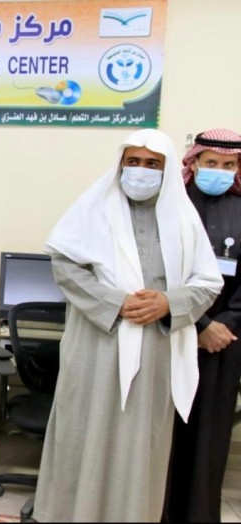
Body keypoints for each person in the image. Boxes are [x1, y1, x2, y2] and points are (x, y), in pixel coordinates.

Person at [34, 129, 223, 522]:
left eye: (152, 164)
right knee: (82, 437)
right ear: (120, 165)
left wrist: (168, 302)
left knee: (140, 447)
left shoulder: (184, 220)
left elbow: (207, 282)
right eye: (132, 161)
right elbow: (65, 267)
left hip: (155, 352)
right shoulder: (94, 209)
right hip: (96, 346)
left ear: (167, 171)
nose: (141, 170)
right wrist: (116, 302)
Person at [162, 128, 241, 522]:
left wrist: (223, 324)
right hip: (172, 331)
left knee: (209, 437)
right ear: (194, 163)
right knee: (166, 434)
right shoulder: (171, 205)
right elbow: (160, 271)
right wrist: (199, 323)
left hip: (226, 340)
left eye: (228, 165)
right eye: (212, 163)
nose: (219, 171)